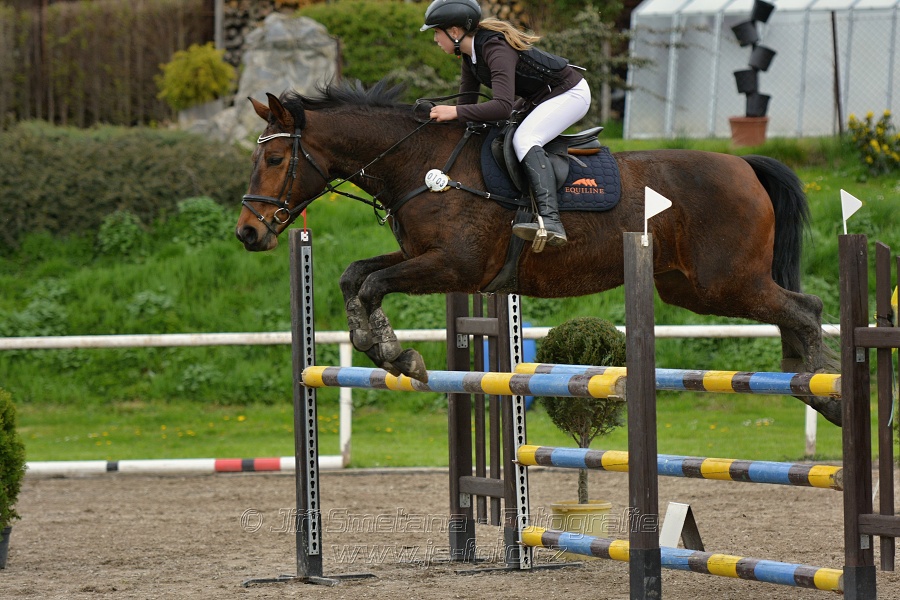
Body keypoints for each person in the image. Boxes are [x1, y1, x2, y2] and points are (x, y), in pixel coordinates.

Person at [420, 0, 591, 247]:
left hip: (570, 93)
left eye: (437, 32)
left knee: (525, 139)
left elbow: (501, 106)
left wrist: (455, 111)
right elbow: (468, 102)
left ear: (454, 31)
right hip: (540, 97)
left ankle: (551, 221)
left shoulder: (495, 49)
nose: (436, 39)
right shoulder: (471, 55)